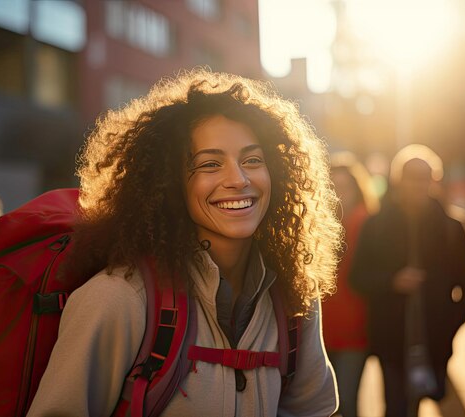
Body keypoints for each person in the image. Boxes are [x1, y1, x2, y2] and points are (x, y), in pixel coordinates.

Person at [27, 70, 342, 416]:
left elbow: (313, 410)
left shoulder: (294, 298)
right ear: (169, 183)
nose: (238, 179)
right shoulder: (118, 299)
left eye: (253, 160)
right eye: (210, 164)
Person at [348, 144, 465, 417]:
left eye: (425, 178)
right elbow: (358, 276)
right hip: (391, 338)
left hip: (436, 338)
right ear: (399, 180)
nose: (418, 185)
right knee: (395, 407)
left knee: (426, 400)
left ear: (434, 181)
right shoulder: (378, 224)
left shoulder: (451, 227)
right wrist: (392, 281)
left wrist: (451, 320)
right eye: (412, 177)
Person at [322, 152, 379, 417]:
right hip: (320, 331)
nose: (340, 195)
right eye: (334, 188)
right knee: (322, 405)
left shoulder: (367, 224)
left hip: (355, 331)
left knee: (345, 400)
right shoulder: (317, 227)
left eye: (345, 187)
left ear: (357, 189)